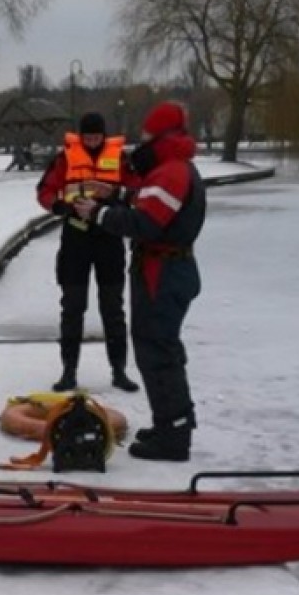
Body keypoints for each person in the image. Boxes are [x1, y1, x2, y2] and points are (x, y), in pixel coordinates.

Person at [74, 101, 206, 462]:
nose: (141, 143)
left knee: (157, 350)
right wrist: (114, 194)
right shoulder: (175, 170)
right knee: (160, 347)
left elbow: (146, 223)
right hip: (168, 269)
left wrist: (99, 213)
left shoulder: (171, 172)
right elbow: (147, 202)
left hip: (162, 273)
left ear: (162, 137)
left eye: (147, 136)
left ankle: (173, 436)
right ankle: (171, 423)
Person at [36, 112, 140, 394]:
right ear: (81, 136)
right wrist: (61, 207)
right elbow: (45, 191)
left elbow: (136, 190)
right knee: (72, 307)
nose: (92, 141)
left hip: (109, 236)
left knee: (112, 307)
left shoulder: (120, 159)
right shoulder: (65, 158)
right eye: (88, 137)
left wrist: (118, 201)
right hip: (76, 237)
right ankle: (69, 371)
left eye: (96, 137)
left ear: (104, 136)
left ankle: (119, 370)